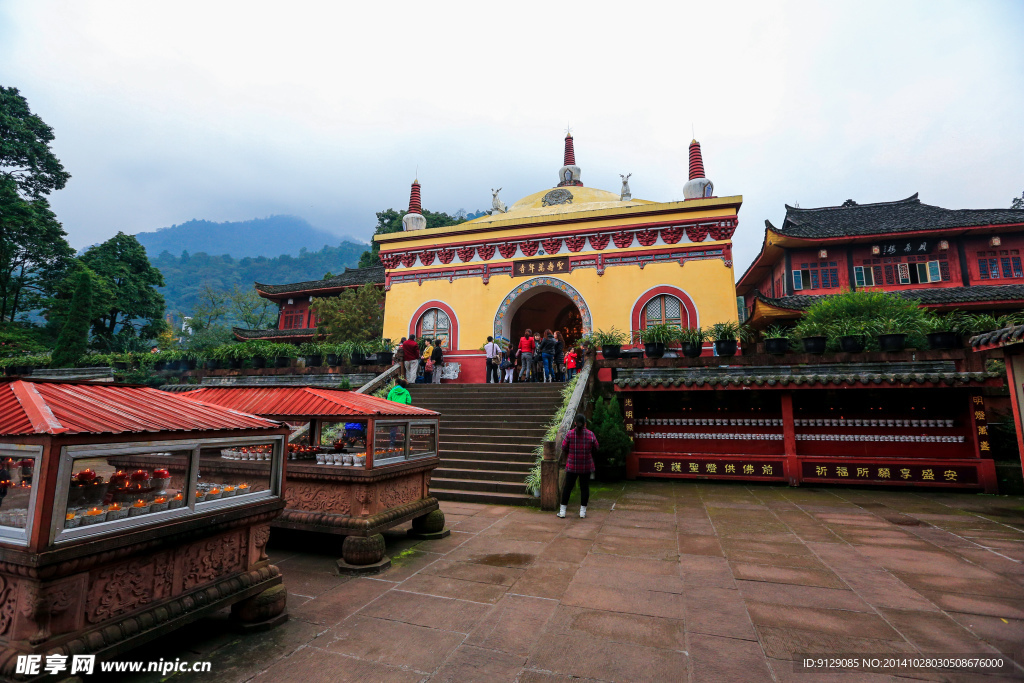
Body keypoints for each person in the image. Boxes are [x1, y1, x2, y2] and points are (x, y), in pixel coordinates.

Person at [559, 415, 598, 518]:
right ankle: (582, 512)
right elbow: (596, 447)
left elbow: (563, 447)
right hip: (586, 466)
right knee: (584, 488)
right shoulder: (590, 434)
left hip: (572, 465)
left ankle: (562, 511)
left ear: (575, 423)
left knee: (568, 488)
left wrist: (571, 453)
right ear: (585, 423)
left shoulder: (570, 434)